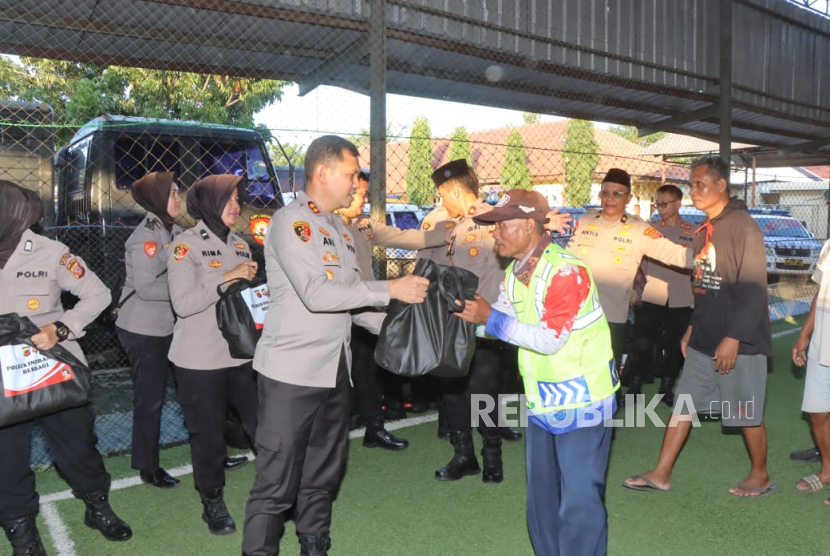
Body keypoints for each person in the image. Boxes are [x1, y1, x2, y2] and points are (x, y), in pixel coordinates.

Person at [242, 135, 429, 556]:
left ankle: (314, 546)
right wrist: (392, 287)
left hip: (334, 374)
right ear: (322, 172)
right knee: (275, 484)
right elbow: (317, 294)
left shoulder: (340, 232)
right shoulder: (293, 221)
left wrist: (402, 333)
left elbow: (352, 302)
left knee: (322, 475)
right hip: (290, 376)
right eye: (351, 174)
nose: (356, 183)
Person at [455, 188, 617, 556]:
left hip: (584, 403)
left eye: (500, 225)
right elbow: (504, 321)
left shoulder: (566, 271)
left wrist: (489, 318)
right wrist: (464, 318)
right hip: (544, 403)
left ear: (529, 226)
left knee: (579, 503)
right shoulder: (517, 271)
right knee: (541, 499)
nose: (493, 232)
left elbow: (548, 340)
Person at [623, 155, 774, 497]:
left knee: (745, 411)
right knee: (683, 404)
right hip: (704, 336)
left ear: (721, 186)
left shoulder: (742, 226)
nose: (693, 191)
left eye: (699, 184)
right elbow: (705, 287)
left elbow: (753, 290)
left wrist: (734, 337)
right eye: (691, 184)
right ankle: (661, 473)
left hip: (740, 341)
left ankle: (760, 474)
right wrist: (693, 326)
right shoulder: (706, 229)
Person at [0, 180, 132, 555]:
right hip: (3, 379)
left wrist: (59, 328)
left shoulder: (50, 252)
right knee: (6, 460)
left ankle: (97, 506)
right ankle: (23, 538)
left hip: (54, 368)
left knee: (78, 448)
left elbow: (99, 294)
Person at [167, 174, 260, 535]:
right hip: (199, 360)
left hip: (240, 355)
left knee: (261, 422)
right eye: (229, 199)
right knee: (207, 436)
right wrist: (227, 277)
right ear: (208, 202)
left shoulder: (241, 244)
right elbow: (183, 303)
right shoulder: (183, 246)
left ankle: (277, 484)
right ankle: (212, 500)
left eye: (238, 198)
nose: (236, 205)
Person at [339, 170, 447, 451]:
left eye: (364, 194)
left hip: (364, 309)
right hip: (335, 312)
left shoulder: (364, 226)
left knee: (369, 370)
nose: (363, 199)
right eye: (360, 194)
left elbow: (407, 237)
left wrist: (450, 232)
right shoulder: (324, 228)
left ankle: (374, 429)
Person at [563, 168, 691, 405]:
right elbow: (567, 259)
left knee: (606, 371)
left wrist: (700, 261)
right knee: (574, 368)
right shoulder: (585, 220)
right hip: (577, 312)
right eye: (606, 193)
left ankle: (606, 420)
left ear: (628, 198)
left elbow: (668, 250)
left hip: (611, 315)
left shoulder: (638, 228)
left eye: (618, 194)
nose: (610, 198)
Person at [419, 159, 509, 484]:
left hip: (484, 325)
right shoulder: (441, 223)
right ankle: (464, 455)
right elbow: (425, 265)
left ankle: (492, 454)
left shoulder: (494, 220)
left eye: (443, 195)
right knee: (454, 390)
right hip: (449, 324)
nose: (441, 201)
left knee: (483, 390)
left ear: (454, 190)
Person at [115, 171, 184, 489]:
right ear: (157, 198)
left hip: (169, 324)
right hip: (143, 329)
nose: (178, 198)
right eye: (172, 193)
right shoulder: (146, 236)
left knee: (198, 388)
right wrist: (187, 291)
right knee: (151, 398)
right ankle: (148, 466)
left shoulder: (177, 230)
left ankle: (211, 450)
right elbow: (145, 288)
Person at [624, 185, 694, 406]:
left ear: (678, 204)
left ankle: (667, 386)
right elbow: (635, 263)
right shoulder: (649, 230)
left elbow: (699, 267)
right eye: (657, 204)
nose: (660, 208)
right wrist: (634, 291)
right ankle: (634, 386)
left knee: (675, 344)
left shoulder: (693, 232)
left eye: (665, 204)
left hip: (681, 297)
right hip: (652, 295)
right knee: (641, 342)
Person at [791, 238, 830, 504]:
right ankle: (828, 471)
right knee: (817, 412)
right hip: (822, 344)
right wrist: (805, 334)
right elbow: (821, 290)